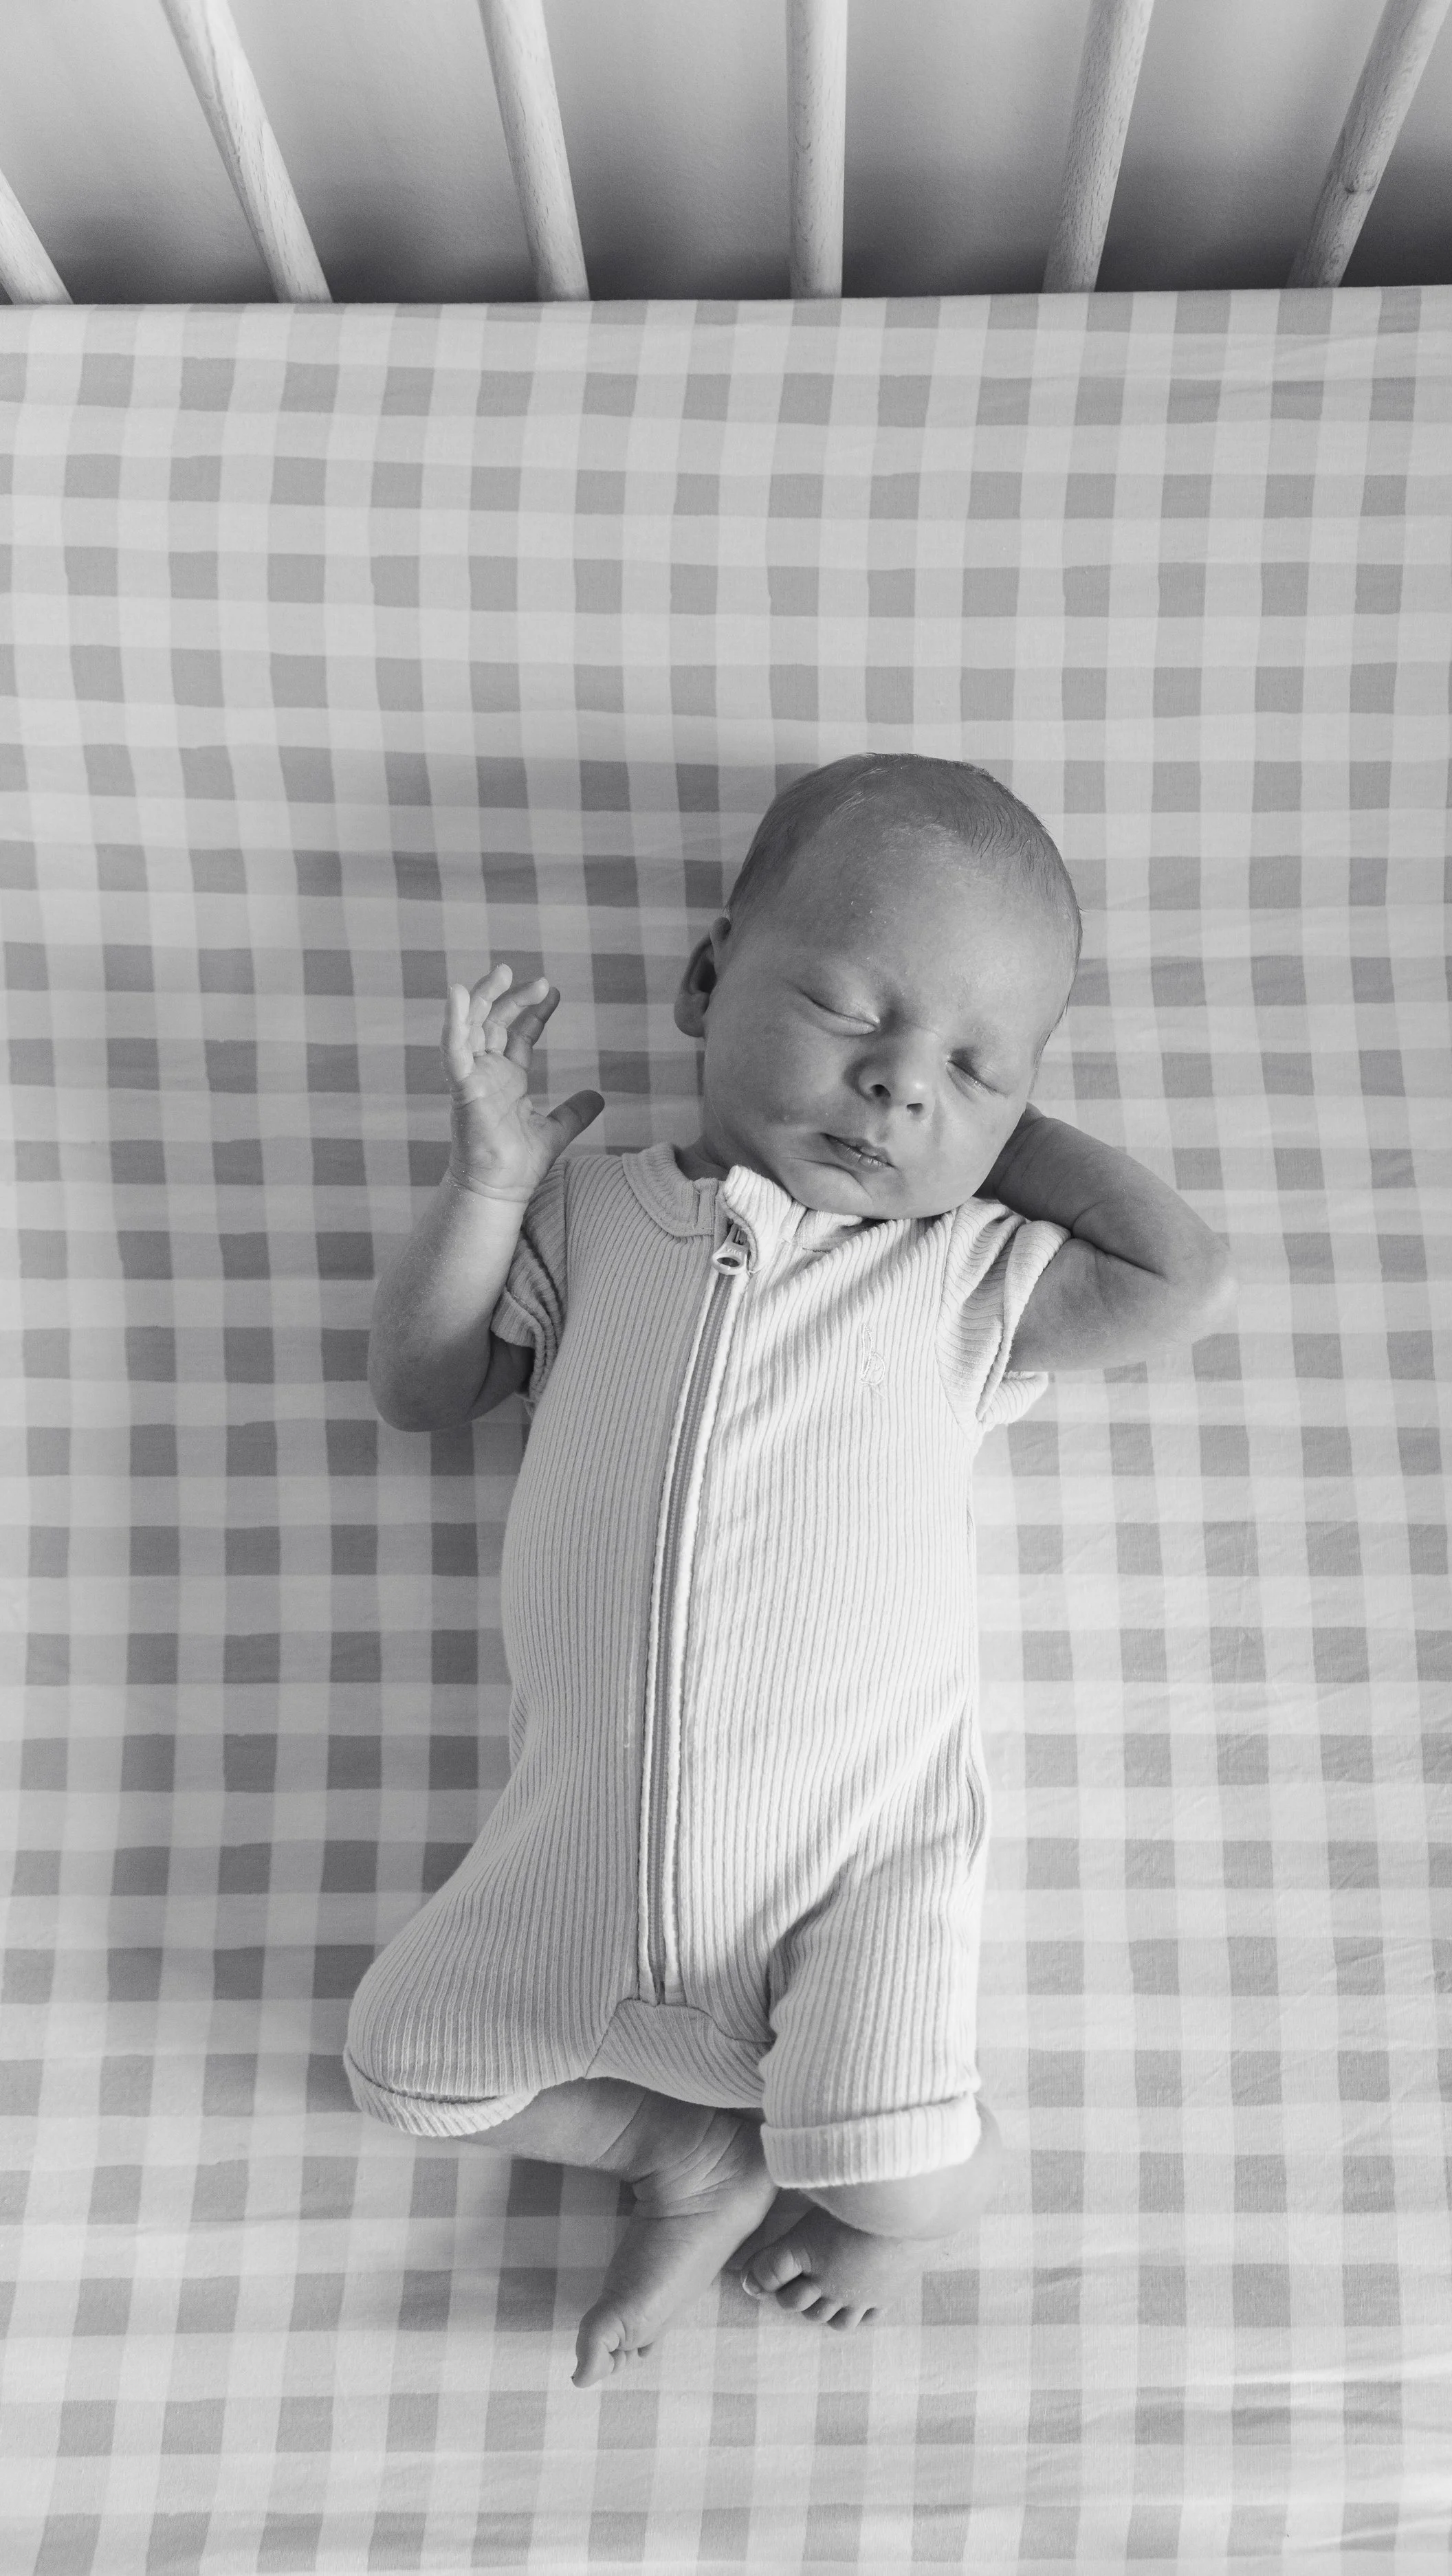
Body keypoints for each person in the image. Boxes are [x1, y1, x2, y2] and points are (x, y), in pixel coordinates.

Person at [344, 752, 1235, 2385]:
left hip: (852, 1871)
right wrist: (488, 1183)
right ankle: (680, 2155)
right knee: (401, 2064)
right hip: (572, 1863)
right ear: (706, 977)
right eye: (848, 1012)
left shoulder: (955, 1274)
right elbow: (421, 1388)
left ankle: (888, 2198)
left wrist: (978, 1141)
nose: (896, 1084)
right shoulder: (588, 1216)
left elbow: (1177, 1274)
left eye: (970, 1060)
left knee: (886, 2171)